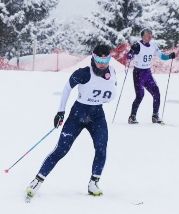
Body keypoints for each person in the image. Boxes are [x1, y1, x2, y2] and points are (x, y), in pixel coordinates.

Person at [26, 45, 117, 199]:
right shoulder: (83, 73)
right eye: (99, 59)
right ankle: (37, 180)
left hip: (97, 115)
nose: (103, 63)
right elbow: (67, 89)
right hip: (78, 114)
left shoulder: (112, 71)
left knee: (101, 149)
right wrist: (60, 112)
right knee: (61, 150)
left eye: (106, 59)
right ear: (93, 57)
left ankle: (93, 183)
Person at [127, 28, 175, 124]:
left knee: (156, 93)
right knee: (140, 95)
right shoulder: (138, 45)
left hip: (147, 73)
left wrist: (169, 56)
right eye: (148, 34)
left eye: (151, 34)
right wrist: (132, 52)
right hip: (138, 73)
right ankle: (132, 117)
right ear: (143, 36)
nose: (150, 36)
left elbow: (161, 56)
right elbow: (128, 57)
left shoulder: (153, 45)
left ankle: (155, 116)